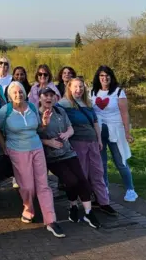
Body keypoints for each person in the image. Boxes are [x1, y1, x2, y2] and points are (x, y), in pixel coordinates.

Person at [0, 81, 65, 238]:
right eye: (15, 93)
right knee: (27, 187)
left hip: (36, 148)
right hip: (17, 151)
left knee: (43, 184)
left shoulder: (32, 107)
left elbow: (39, 129)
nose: (18, 95)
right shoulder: (5, 111)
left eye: (20, 92)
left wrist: (45, 123)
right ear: (10, 95)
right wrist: (3, 144)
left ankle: (51, 220)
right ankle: (28, 209)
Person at [37, 87, 101, 229]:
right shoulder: (36, 114)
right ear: (40, 98)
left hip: (68, 152)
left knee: (82, 179)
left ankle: (88, 212)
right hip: (52, 156)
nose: (48, 98)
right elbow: (34, 136)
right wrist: (49, 142)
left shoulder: (60, 111)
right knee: (71, 181)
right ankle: (72, 205)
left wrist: (67, 134)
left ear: (55, 98)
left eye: (51, 95)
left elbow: (71, 128)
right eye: (45, 95)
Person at [58, 77, 118, 215]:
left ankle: (103, 202)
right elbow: (60, 122)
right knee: (82, 173)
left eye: (81, 87)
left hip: (92, 141)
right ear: (70, 88)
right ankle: (84, 202)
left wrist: (99, 140)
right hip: (77, 142)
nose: (78, 90)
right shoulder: (63, 104)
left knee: (98, 172)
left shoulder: (87, 103)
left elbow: (95, 122)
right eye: (76, 87)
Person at [91, 65, 138, 202]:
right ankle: (104, 187)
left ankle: (130, 189)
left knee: (120, 161)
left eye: (107, 76)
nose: (104, 78)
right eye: (101, 76)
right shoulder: (93, 92)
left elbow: (125, 113)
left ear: (111, 77)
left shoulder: (118, 92)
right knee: (102, 162)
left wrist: (127, 133)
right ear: (98, 77)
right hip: (99, 132)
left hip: (115, 131)